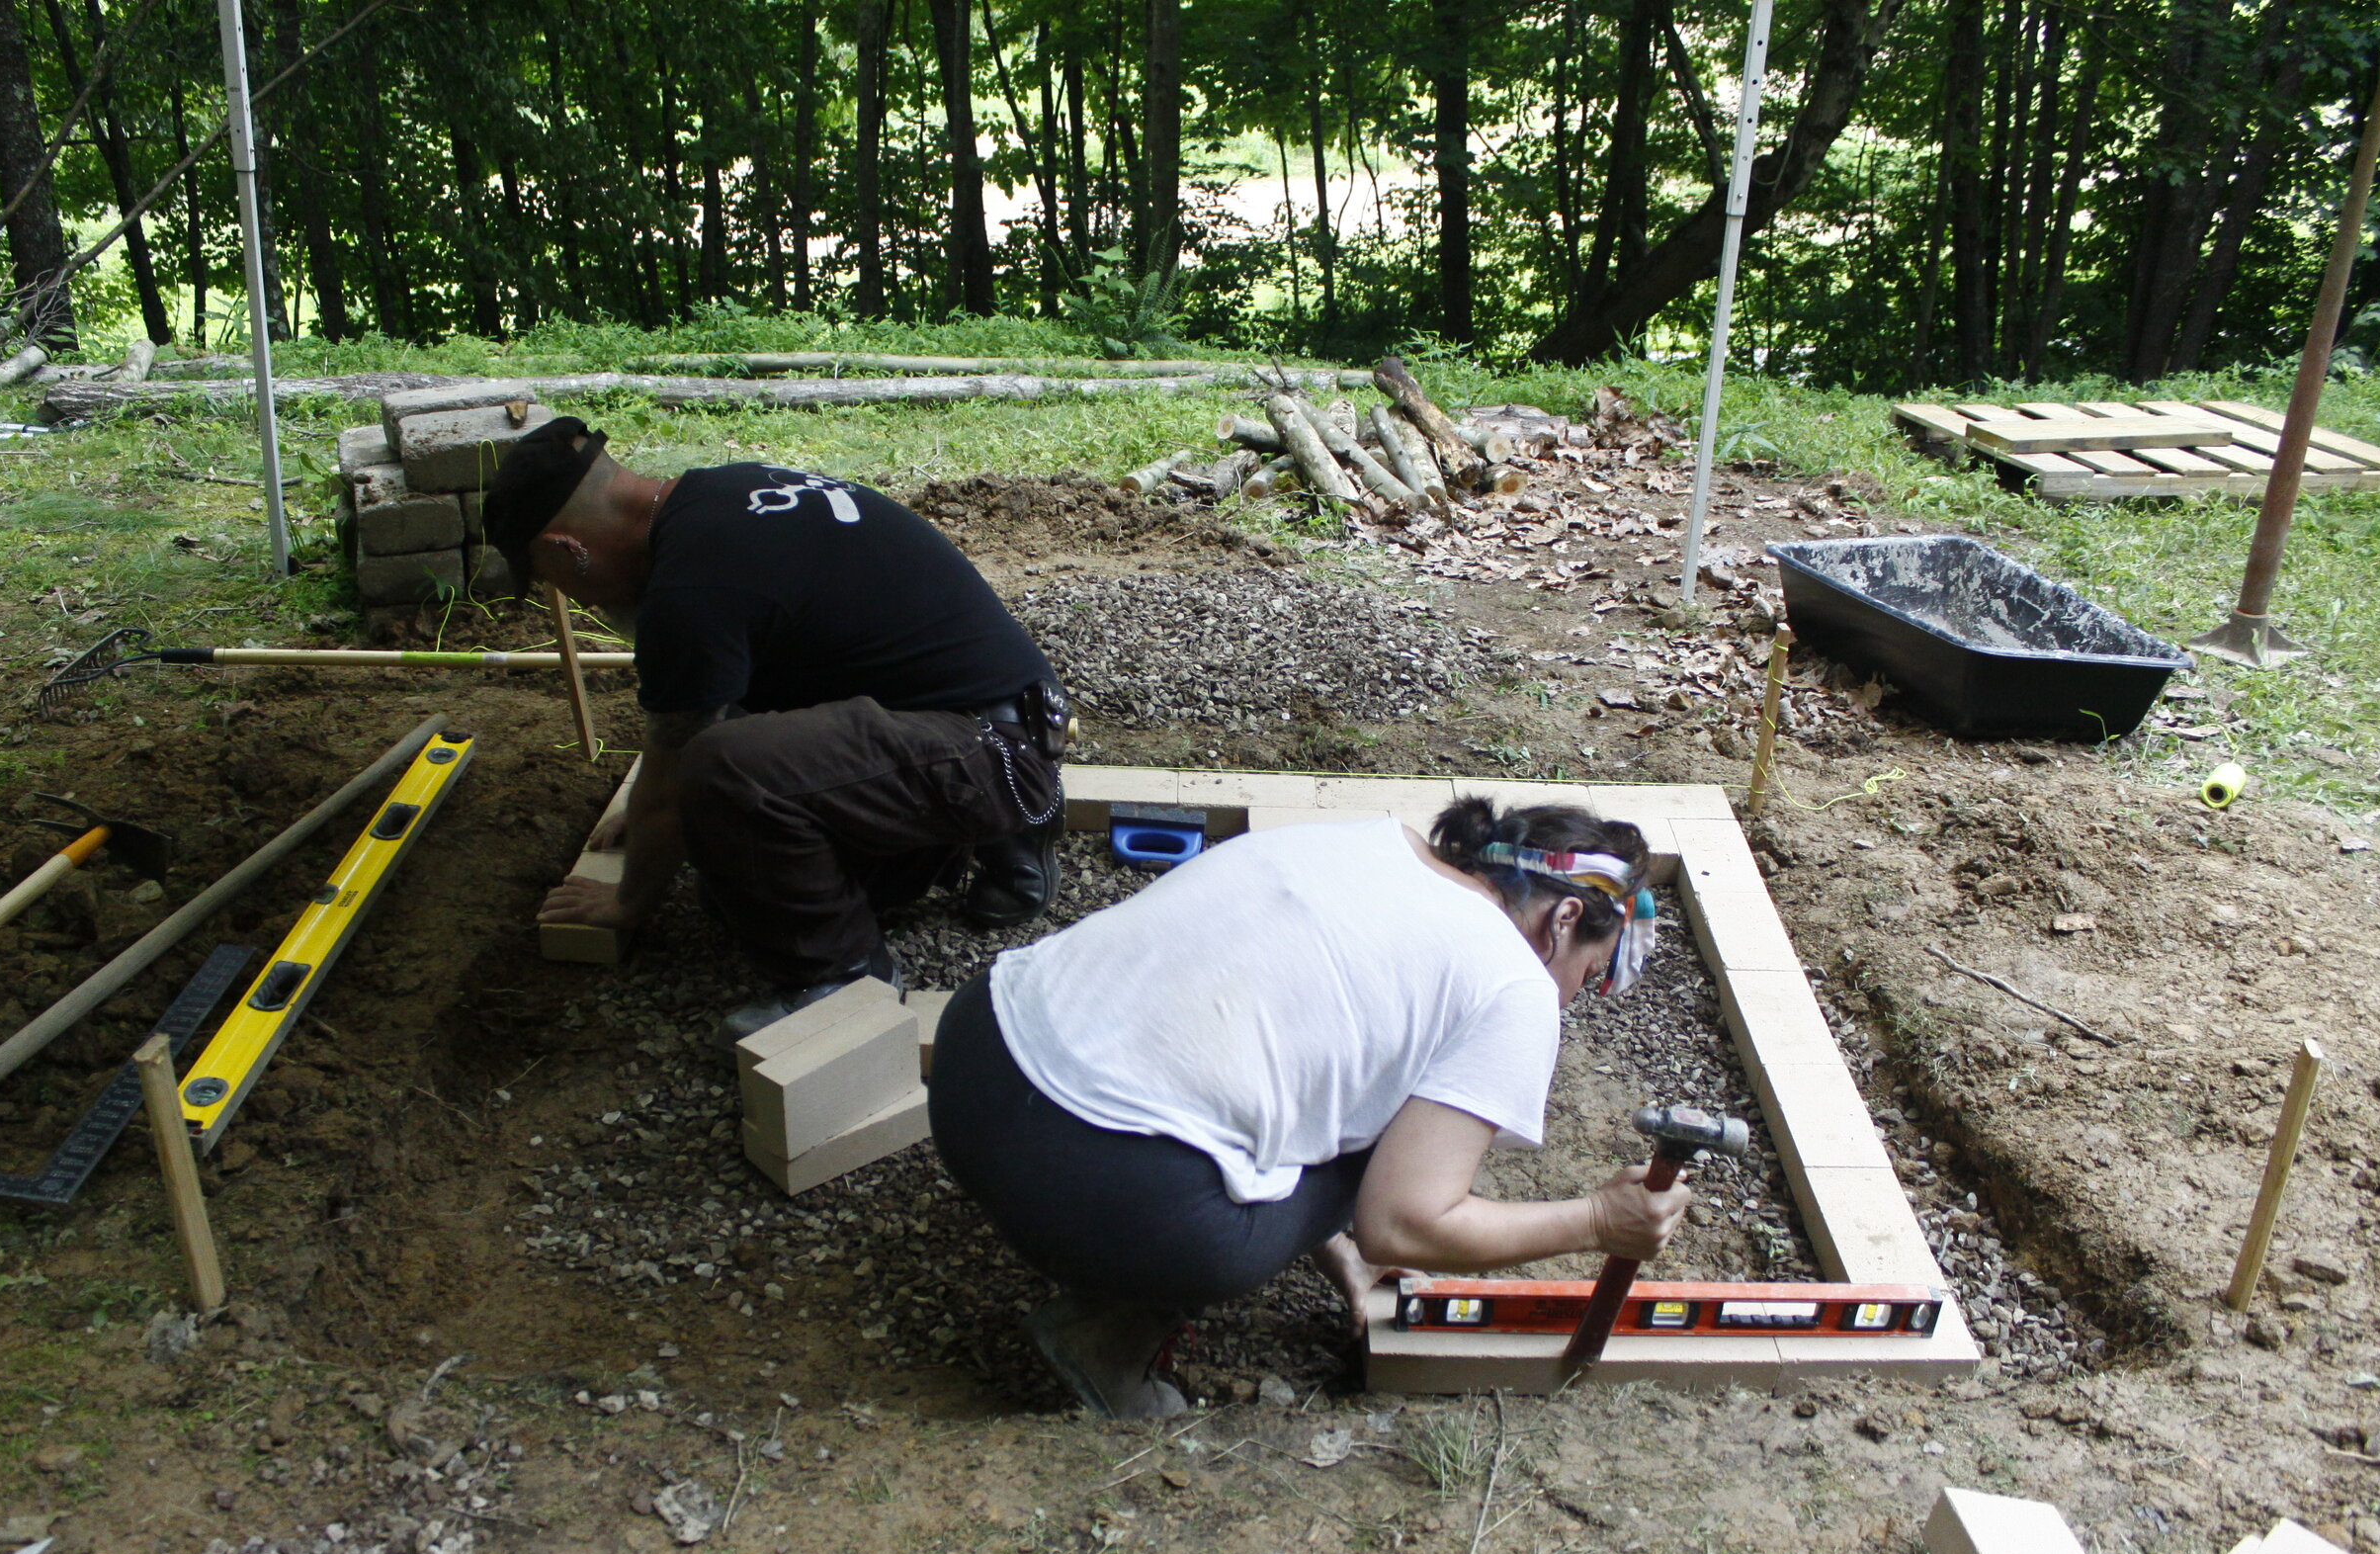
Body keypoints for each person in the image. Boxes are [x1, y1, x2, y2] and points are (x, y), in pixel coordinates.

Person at [928, 795, 1692, 1418]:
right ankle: (1105, 1338)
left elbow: (1308, 1052)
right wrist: (1596, 1220)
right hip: (1092, 1189)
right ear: (1563, 922)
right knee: (1407, 1137)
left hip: (976, 1060)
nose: (1573, 997)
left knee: (1366, 1073)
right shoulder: (1515, 983)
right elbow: (1400, 1220)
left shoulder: (1376, 840)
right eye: (1590, 974)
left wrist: (1344, 1252)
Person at [490, 416, 1068, 1034]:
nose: (583, 601)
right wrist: (670, 812)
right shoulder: (721, 494)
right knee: (734, 864)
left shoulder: (689, 588)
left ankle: (840, 978)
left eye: (561, 586)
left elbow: (677, 752)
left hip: (985, 756)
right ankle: (1002, 840)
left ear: (566, 550)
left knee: (723, 768)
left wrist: (628, 901)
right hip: (1014, 722)